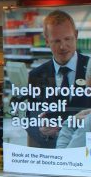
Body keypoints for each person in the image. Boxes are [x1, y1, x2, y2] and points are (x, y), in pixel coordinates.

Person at [26, 10, 91, 148]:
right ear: (47, 41)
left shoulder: (90, 67)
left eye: (68, 39)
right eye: (56, 41)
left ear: (76, 35)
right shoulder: (36, 75)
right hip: (53, 157)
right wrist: (41, 131)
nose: (63, 46)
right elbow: (30, 120)